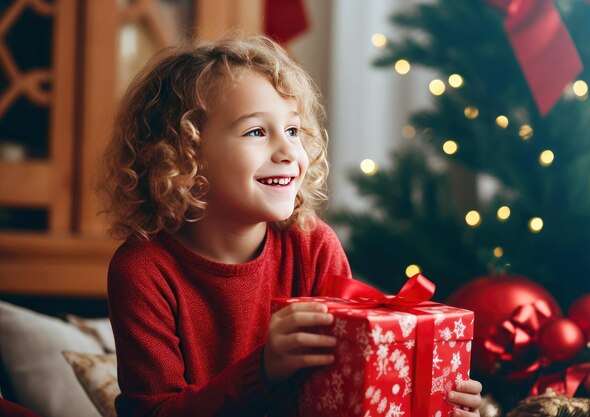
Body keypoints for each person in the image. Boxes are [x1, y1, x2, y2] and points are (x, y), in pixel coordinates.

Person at [98, 34, 482, 417]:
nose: (287, 152)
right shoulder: (144, 270)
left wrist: (430, 402)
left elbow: (348, 389)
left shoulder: (313, 245)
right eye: (256, 132)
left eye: (294, 131)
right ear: (183, 154)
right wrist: (263, 370)